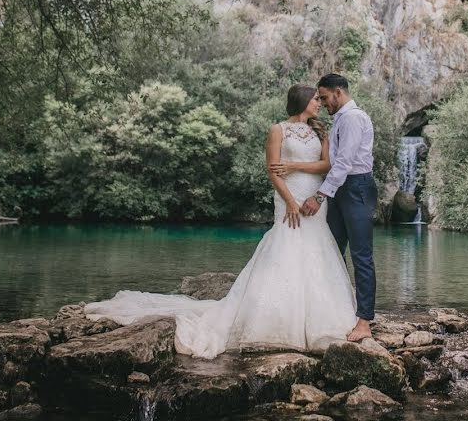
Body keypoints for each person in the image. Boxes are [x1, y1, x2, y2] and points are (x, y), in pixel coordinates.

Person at [83, 85, 357, 359]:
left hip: (314, 197)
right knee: (285, 245)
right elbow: (273, 171)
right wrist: (290, 202)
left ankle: (322, 320)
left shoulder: (320, 131)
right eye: (314, 99)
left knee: (315, 247)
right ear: (301, 101)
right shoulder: (278, 130)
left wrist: (297, 167)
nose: (318, 103)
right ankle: (277, 320)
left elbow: (326, 165)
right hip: (288, 196)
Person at [298, 73, 377, 342]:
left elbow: (343, 163)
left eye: (323, 97)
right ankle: (339, 312)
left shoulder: (353, 118)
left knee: (361, 256)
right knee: (332, 252)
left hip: (357, 189)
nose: (322, 102)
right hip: (341, 189)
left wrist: (318, 197)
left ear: (338, 92)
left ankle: (364, 321)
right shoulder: (340, 119)